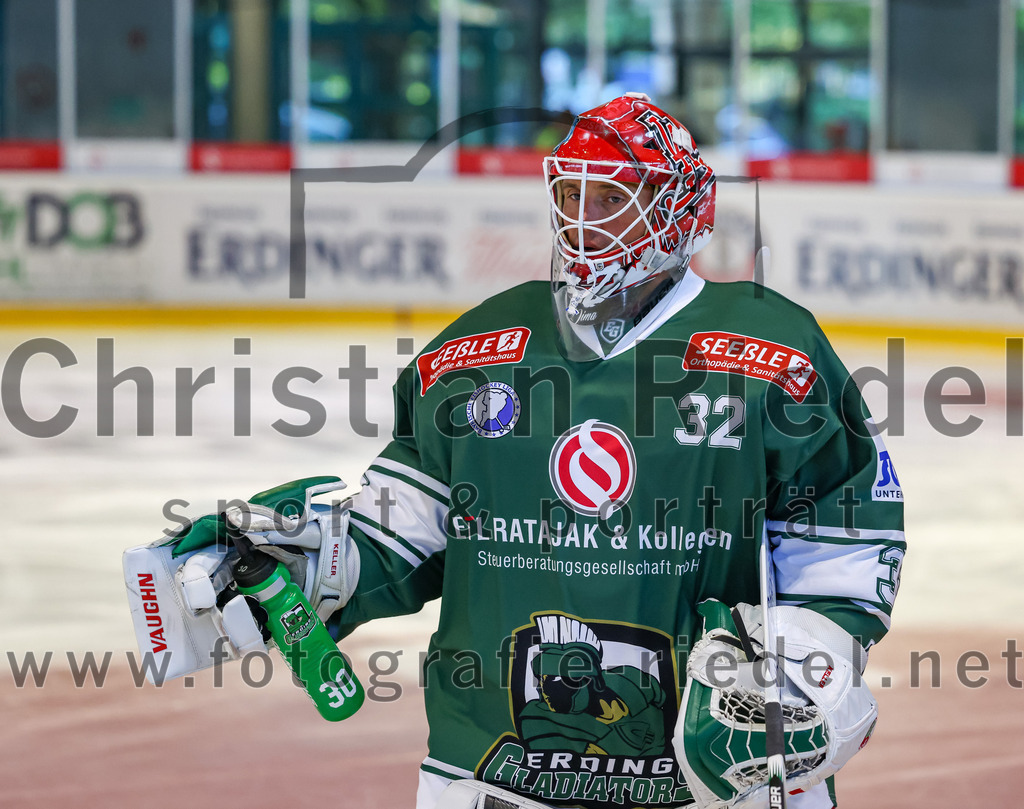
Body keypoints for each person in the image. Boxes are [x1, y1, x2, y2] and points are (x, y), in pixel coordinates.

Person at [126, 94, 904, 809]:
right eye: (570, 195)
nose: (583, 220)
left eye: (610, 198)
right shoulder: (474, 352)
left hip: (707, 783)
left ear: (674, 210)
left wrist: (804, 662)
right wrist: (296, 564)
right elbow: (403, 533)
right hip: (493, 768)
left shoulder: (773, 349)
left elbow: (846, 529)